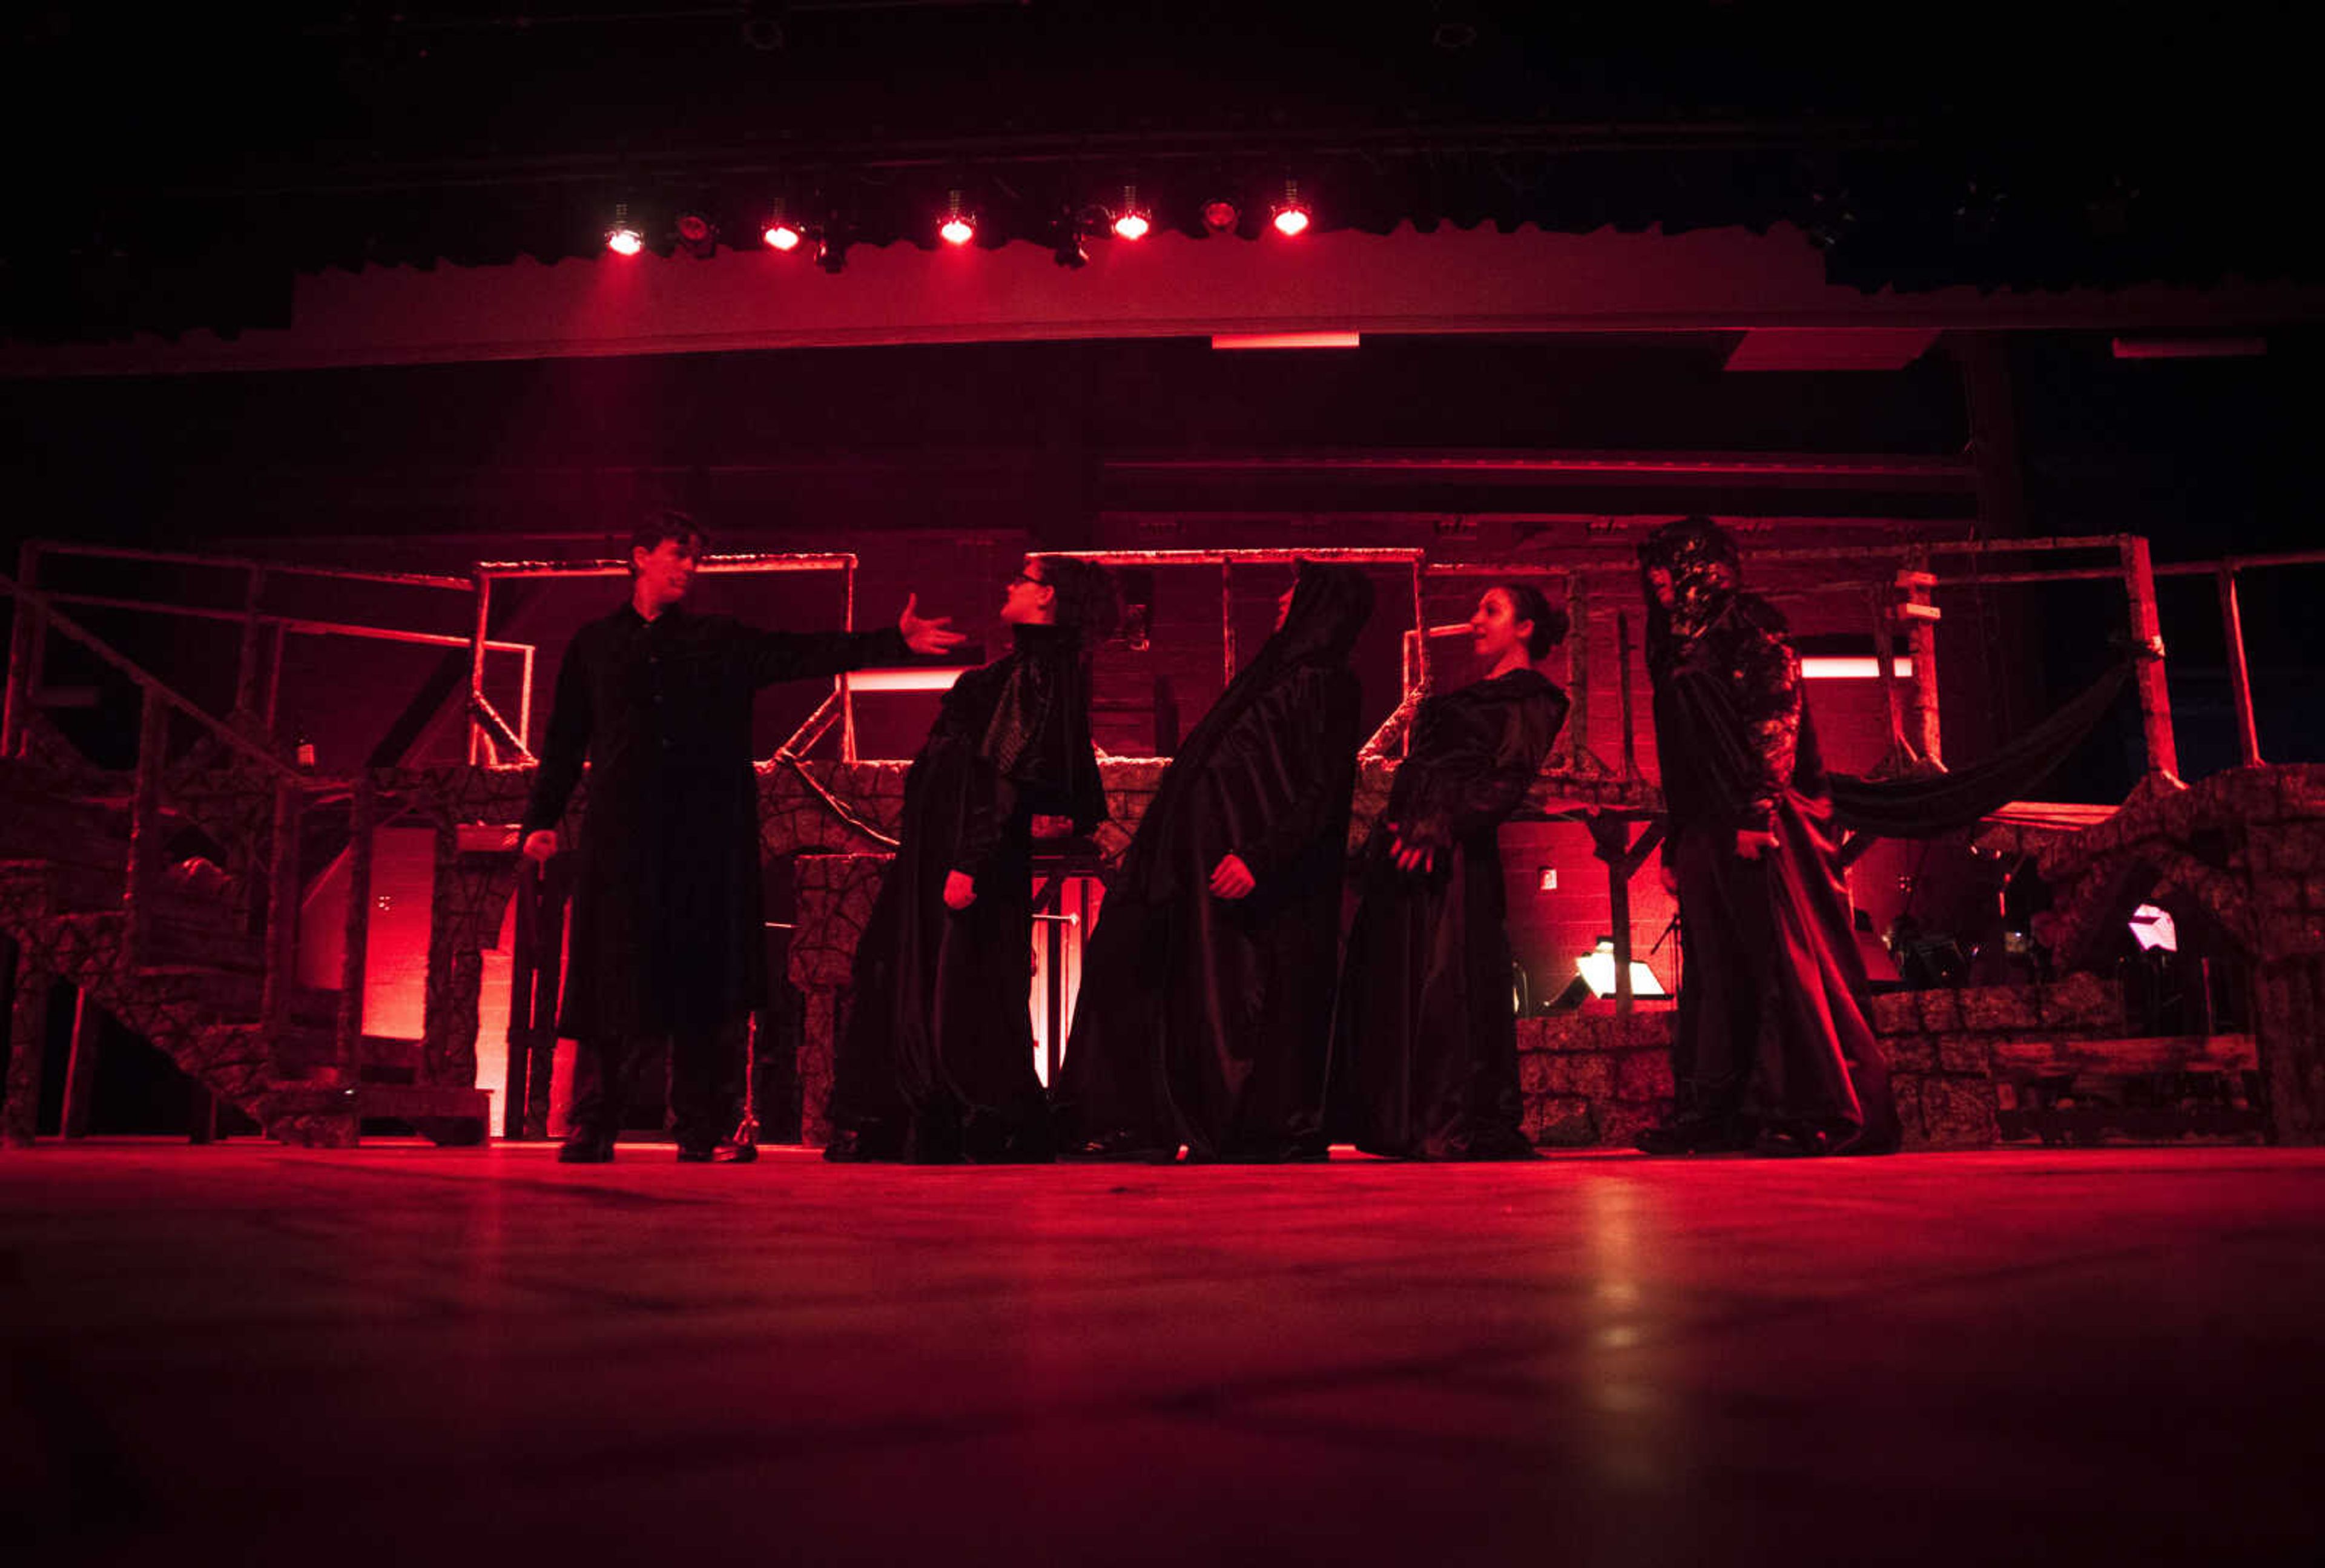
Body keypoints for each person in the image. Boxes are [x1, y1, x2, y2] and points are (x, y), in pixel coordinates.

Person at [521, 511, 966, 1164]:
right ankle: (594, 1121)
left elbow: (802, 652)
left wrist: (890, 641)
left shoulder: (717, 638)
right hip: (626, 835)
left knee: (703, 978)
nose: (686, 569)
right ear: (639, 556)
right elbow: (564, 741)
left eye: (695, 560)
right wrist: (541, 818)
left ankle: (701, 1126)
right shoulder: (596, 644)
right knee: (614, 974)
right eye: (676, 555)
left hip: (705, 835)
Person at [1056, 560, 1374, 1162]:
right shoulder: (1271, 677)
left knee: (1240, 1006)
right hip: (1199, 871)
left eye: (1296, 593)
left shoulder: (1327, 682)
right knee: (1149, 976)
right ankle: (1137, 1121)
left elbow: (1323, 792)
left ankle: (1239, 1124)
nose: (1282, 601)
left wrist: (1260, 857)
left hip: (1252, 880)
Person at [825, 555, 1115, 1163]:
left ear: (1049, 598)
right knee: (921, 975)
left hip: (965, 853)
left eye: (1025, 578)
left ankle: (961, 1118)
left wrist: (971, 861)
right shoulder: (1022, 668)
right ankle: (924, 1117)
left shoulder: (1039, 670)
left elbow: (1002, 775)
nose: (1011, 583)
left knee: (957, 985)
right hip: (945, 847)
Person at [1631, 516, 1900, 1157]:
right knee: (1716, 967)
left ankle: (1804, 1107)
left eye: (1670, 563)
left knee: (1781, 957)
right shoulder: (1674, 641)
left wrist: (1756, 812)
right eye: (1652, 568)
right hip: (1706, 825)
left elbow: (1775, 716)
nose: (1656, 579)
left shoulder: (1749, 624)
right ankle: (1720, 1112)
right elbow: (1683, 751)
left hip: (1765, 822)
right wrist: (1679, 838)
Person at [1330, 584, 1569, 1160]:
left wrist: (1439, 826)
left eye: (1492, 610)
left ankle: (1453, 1118)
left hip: (1454, 856)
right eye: (1476, 610)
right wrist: (1406, 826)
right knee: (1404, 979)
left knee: (1450, 981)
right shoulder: (1464, 699)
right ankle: (1404, 1119)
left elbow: (1505, 780)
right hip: (1410, 849)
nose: (1475, 621)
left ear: (1526, 627)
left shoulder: (1533, 698)